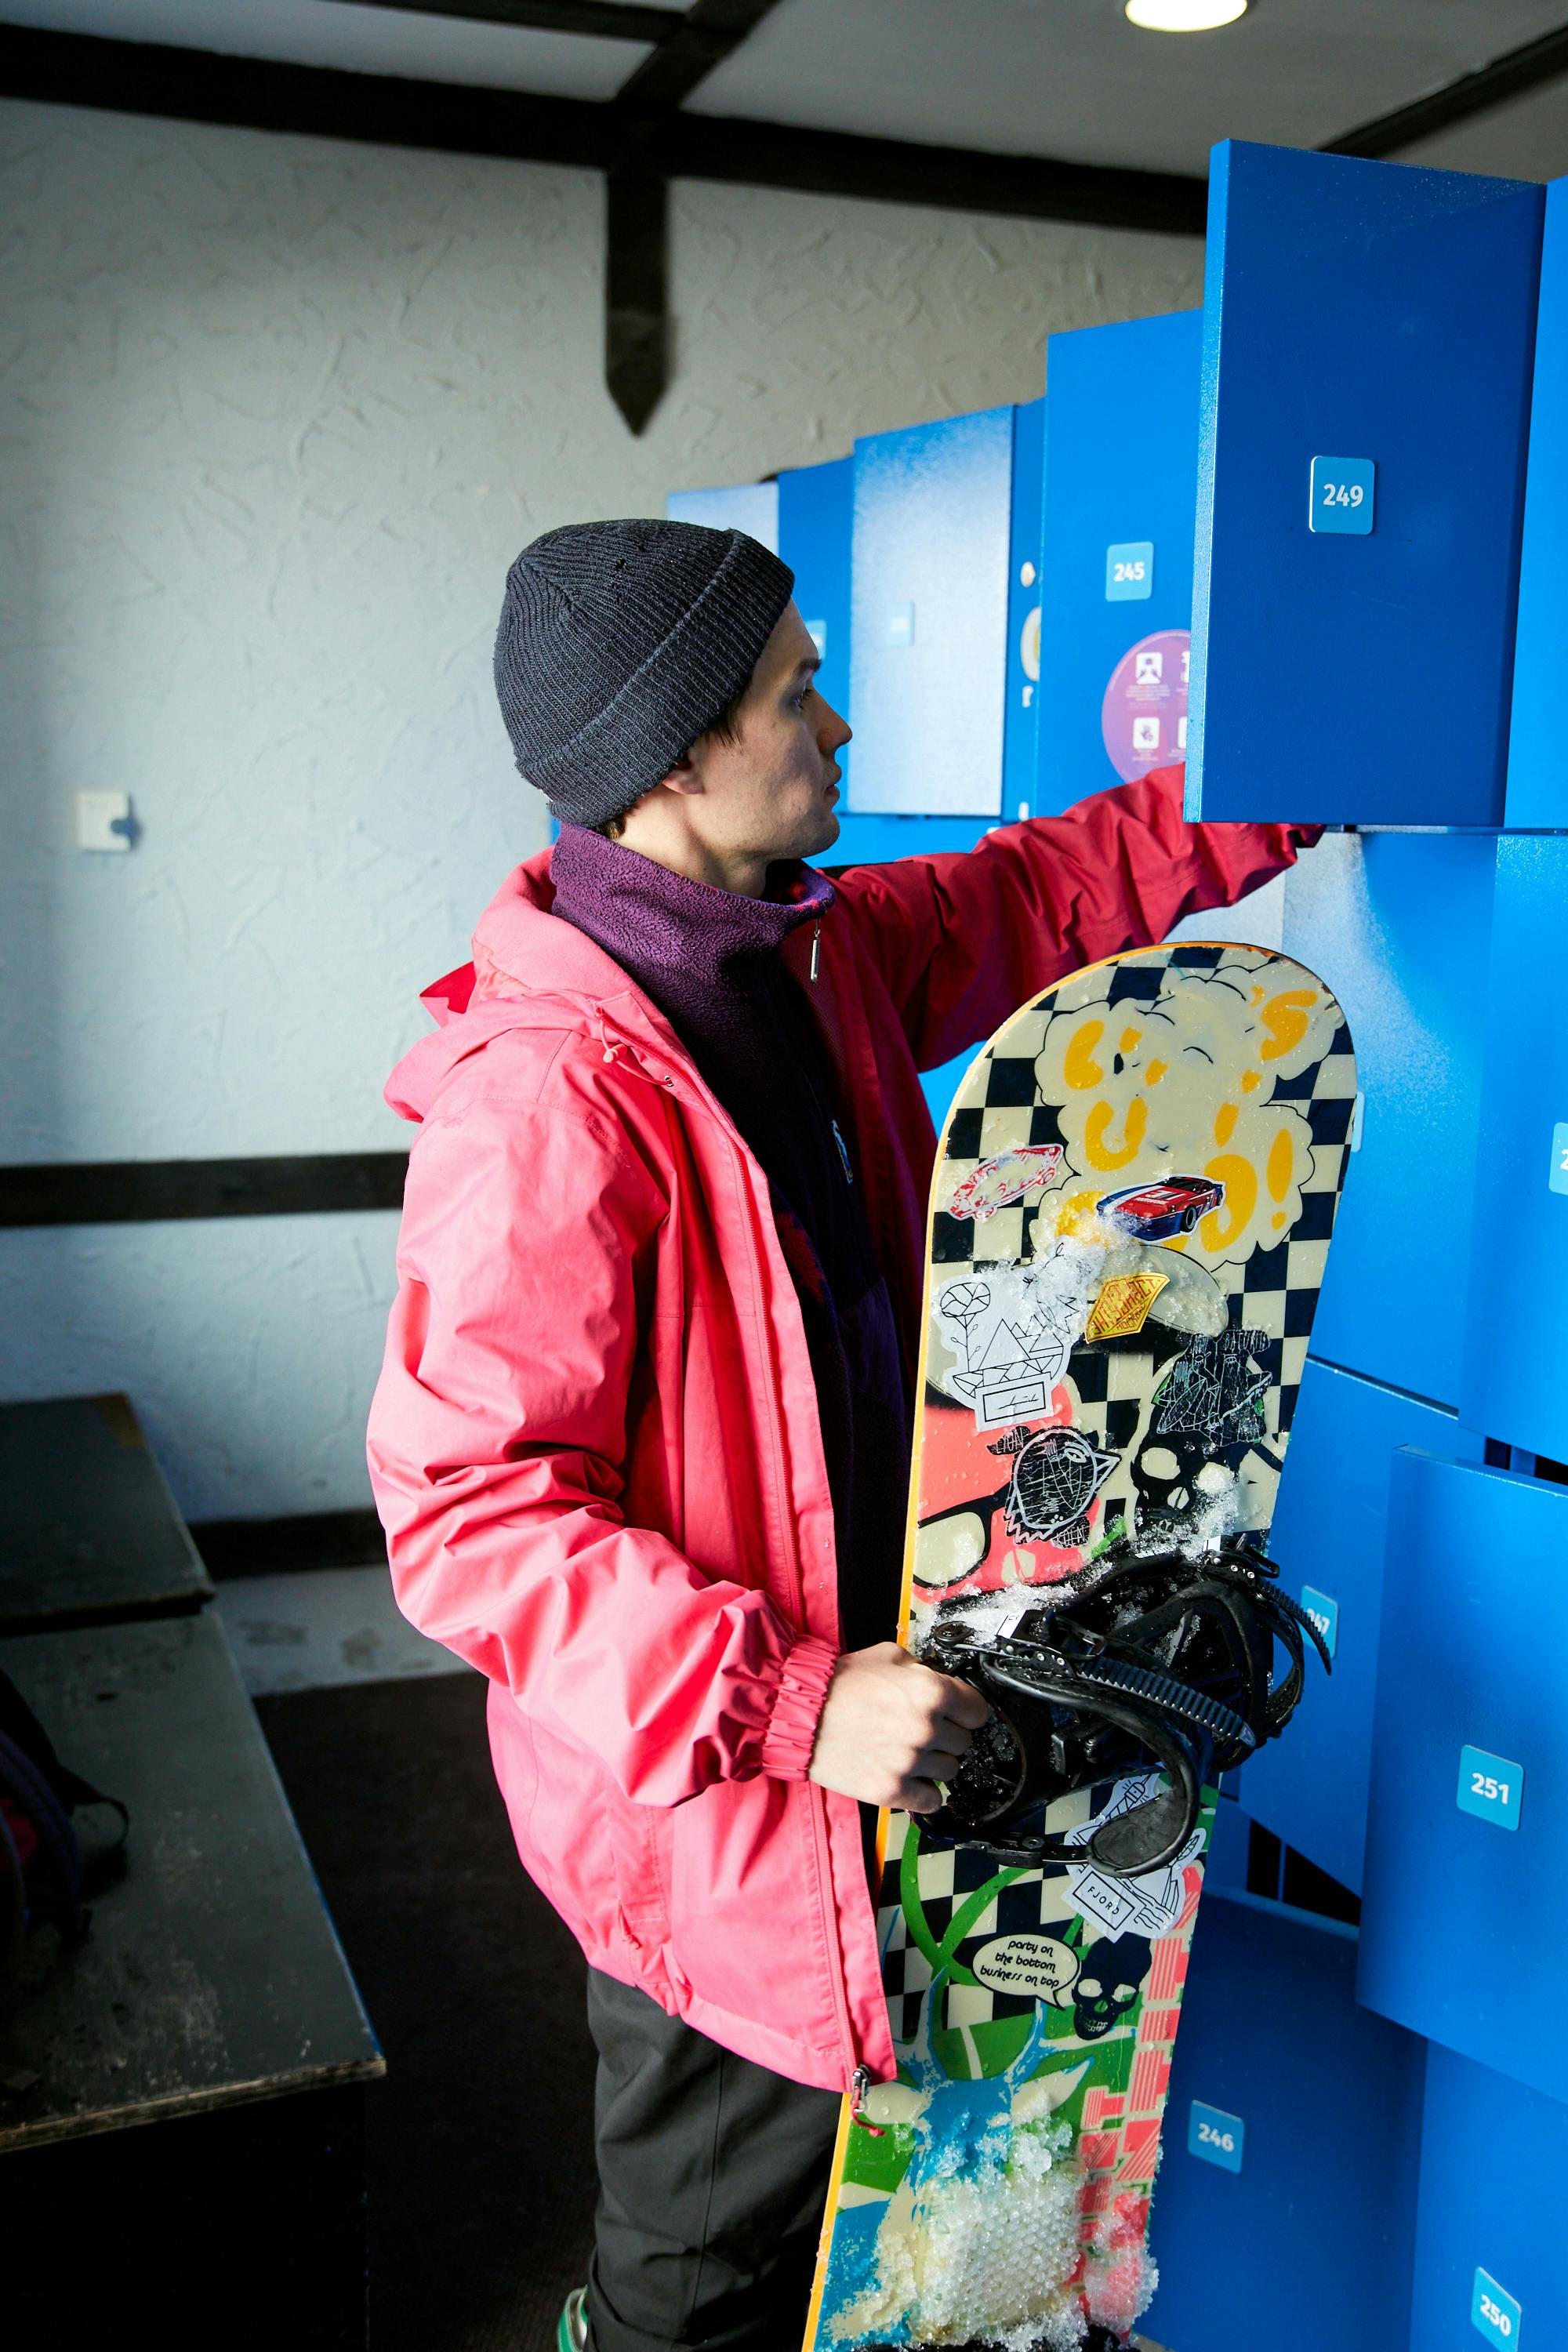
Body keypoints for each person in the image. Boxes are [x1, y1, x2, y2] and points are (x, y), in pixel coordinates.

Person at [366, 519, 1319, 2352]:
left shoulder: (817, 957)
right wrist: (795, 1702)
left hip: (898, 1731)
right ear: (672, 755)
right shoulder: (549, 1090)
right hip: (727, 1811)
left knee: (905, 2241)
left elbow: (1048, 891)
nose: (845, 723)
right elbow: (466, 1517)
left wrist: (1289, 767)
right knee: (702, 2280)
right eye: (796, 688)